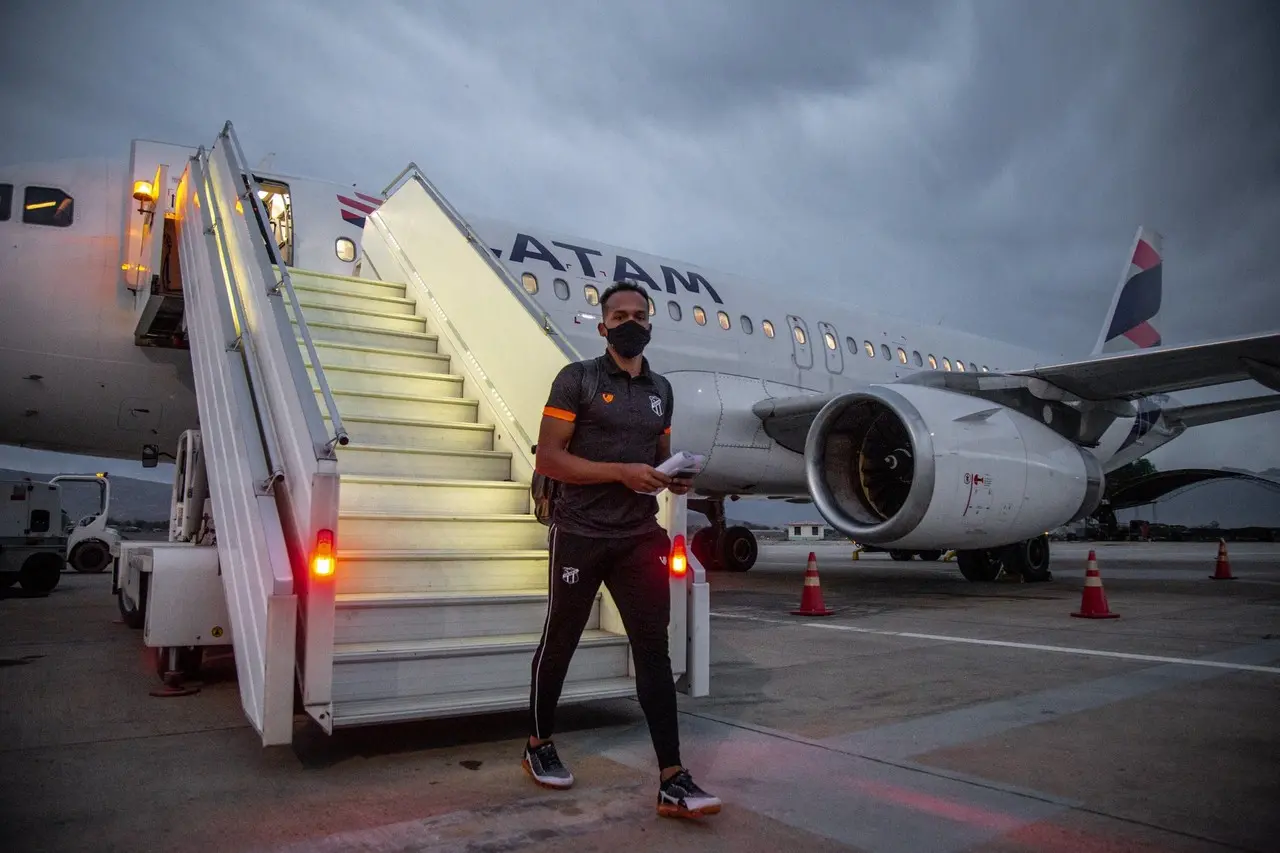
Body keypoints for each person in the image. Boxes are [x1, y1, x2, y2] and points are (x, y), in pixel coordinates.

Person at [521, 280, 722, 819]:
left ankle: (672, 778)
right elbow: (549, 460)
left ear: (649, 324)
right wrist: (619, 473)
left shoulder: (661, 389)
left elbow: (656, 457)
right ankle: (539, 743)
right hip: (580, 531)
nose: (630, 322)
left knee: (653, 649)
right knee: (561, 638)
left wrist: (671, 479)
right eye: (619, 315)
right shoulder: (577, 379)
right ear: (603, 325)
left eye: (639, 314)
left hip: (638, 534)